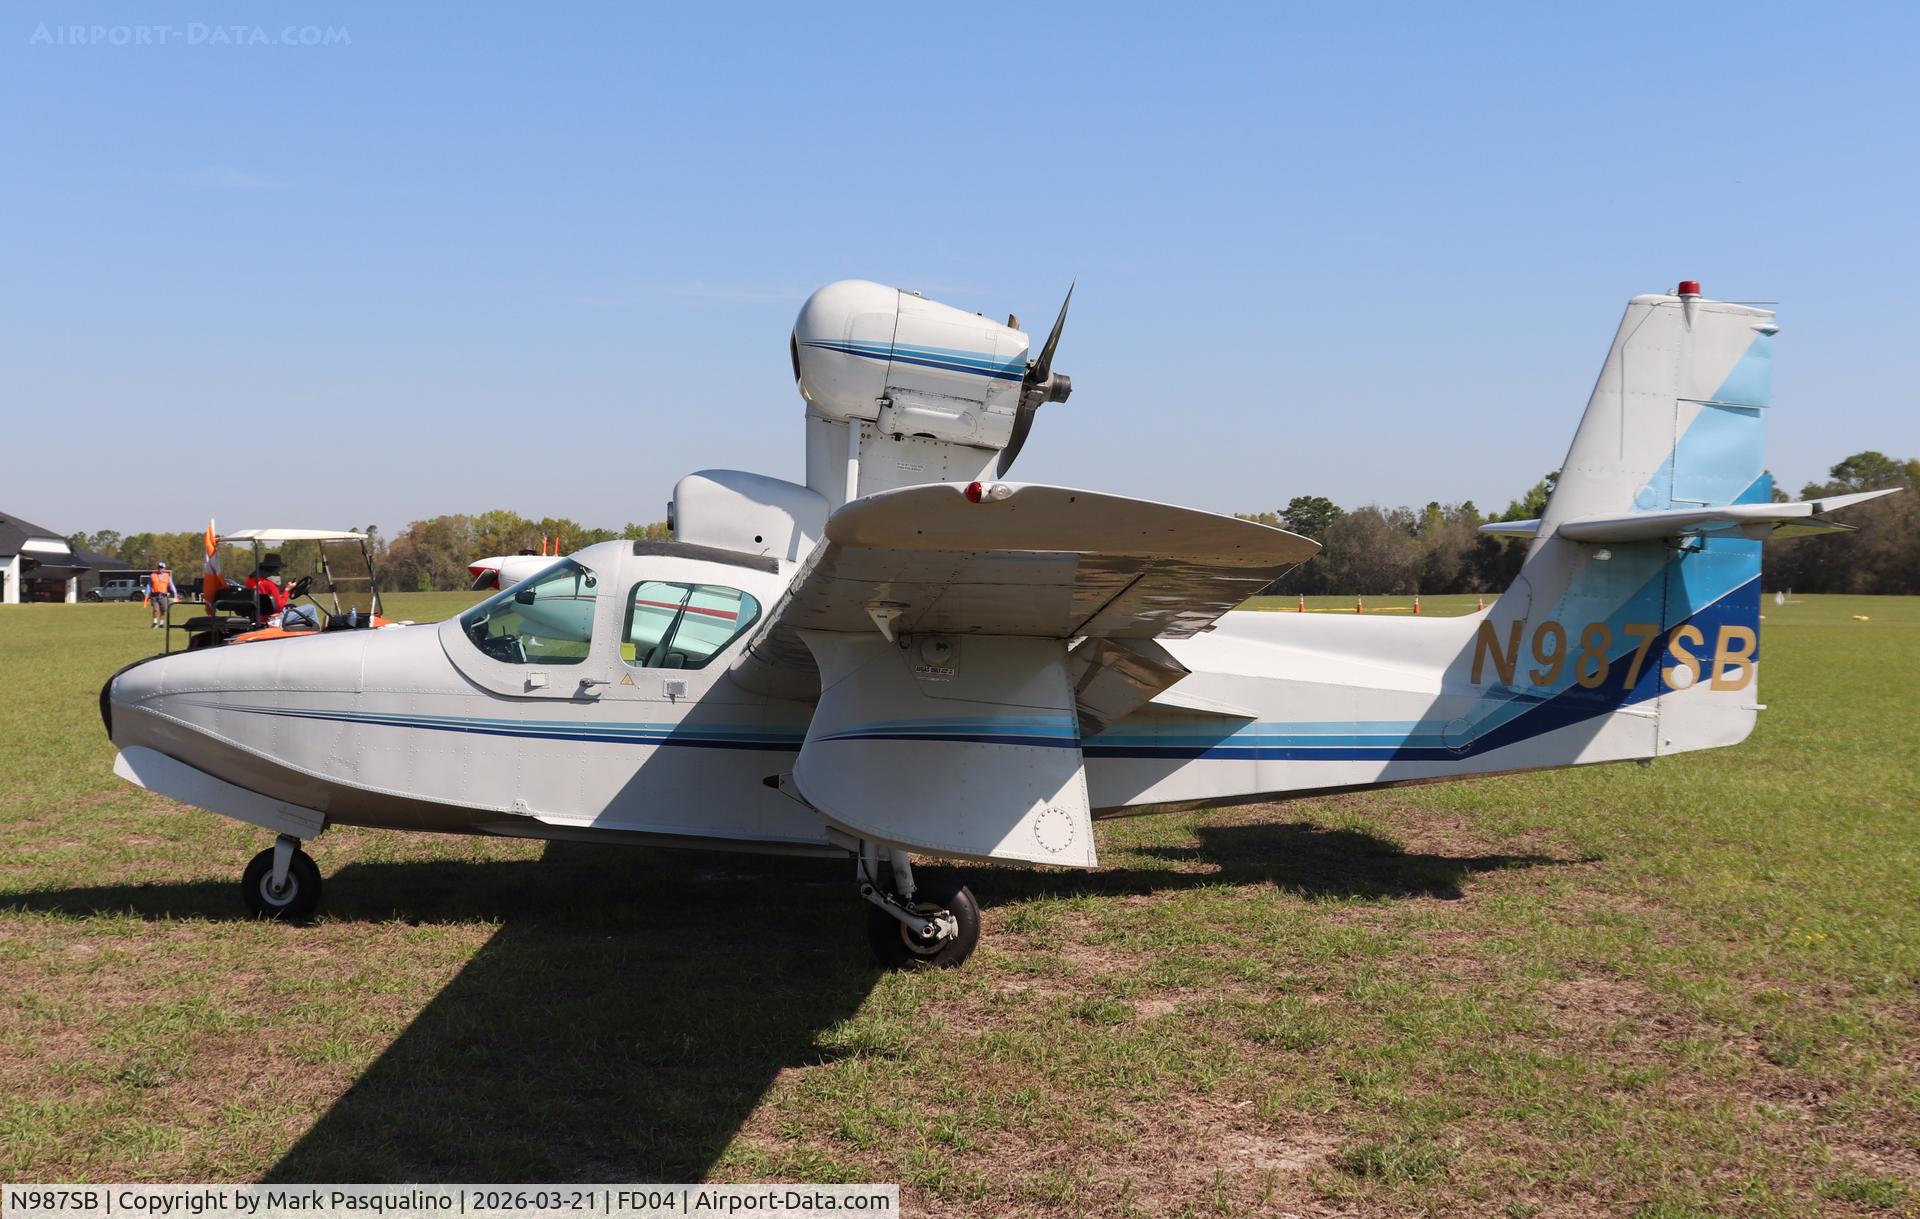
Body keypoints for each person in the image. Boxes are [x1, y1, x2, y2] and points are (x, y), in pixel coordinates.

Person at [147, 562, 178, 628]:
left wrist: (175, 593)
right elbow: (149, 585)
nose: (160, 569)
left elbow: (171, 585)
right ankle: (155, 622)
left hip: (163, 596)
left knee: (163, 610)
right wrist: (147, 593)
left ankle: (161, 623)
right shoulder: (152, 575)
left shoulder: (167, 576)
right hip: (154, 595)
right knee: (155, 609)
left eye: (162, 568)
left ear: (164, 568)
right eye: (159, 567)